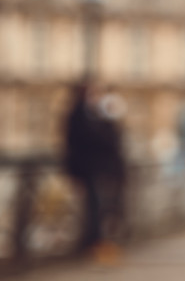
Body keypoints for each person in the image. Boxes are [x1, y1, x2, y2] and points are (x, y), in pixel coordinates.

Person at [62, 80, 127, 265]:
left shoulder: (92, 115)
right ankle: (94, 244)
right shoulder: (81, 115)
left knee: (100, 207)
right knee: (95, 207)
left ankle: (98, 243)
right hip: (90, 169)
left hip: (98, 169)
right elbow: (78, 144)